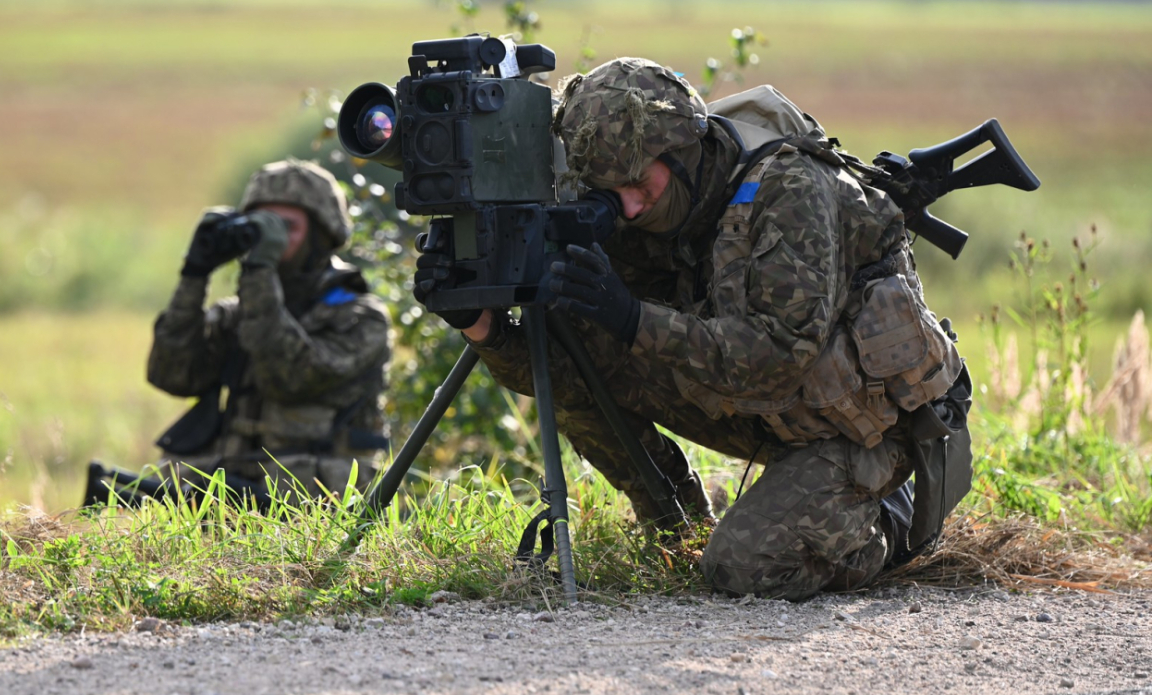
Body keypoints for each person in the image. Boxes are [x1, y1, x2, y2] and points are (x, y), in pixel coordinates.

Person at [417, 58, 971, 600]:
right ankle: (674, 524)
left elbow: (778, 360)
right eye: (610, 193)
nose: (629, 207)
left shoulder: (789, 189)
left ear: (686, 150)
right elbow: (566, 372)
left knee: (743, 566)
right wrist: (484, 329)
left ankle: (889, 524)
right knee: (584, 347)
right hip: (771, 411)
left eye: (638, 183)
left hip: (862, 425)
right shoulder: (641, 205)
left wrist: (632, 318)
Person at [84, 159, 392, 508]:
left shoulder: (360, 318)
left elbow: (290, 379)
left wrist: (259, 269)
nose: (272, 240)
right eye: (260, 225)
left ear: (321, 236)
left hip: (313, 504)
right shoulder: (237, 314)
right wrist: (194, 274)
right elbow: (172, 375)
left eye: (286, 228)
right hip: (223, 495)